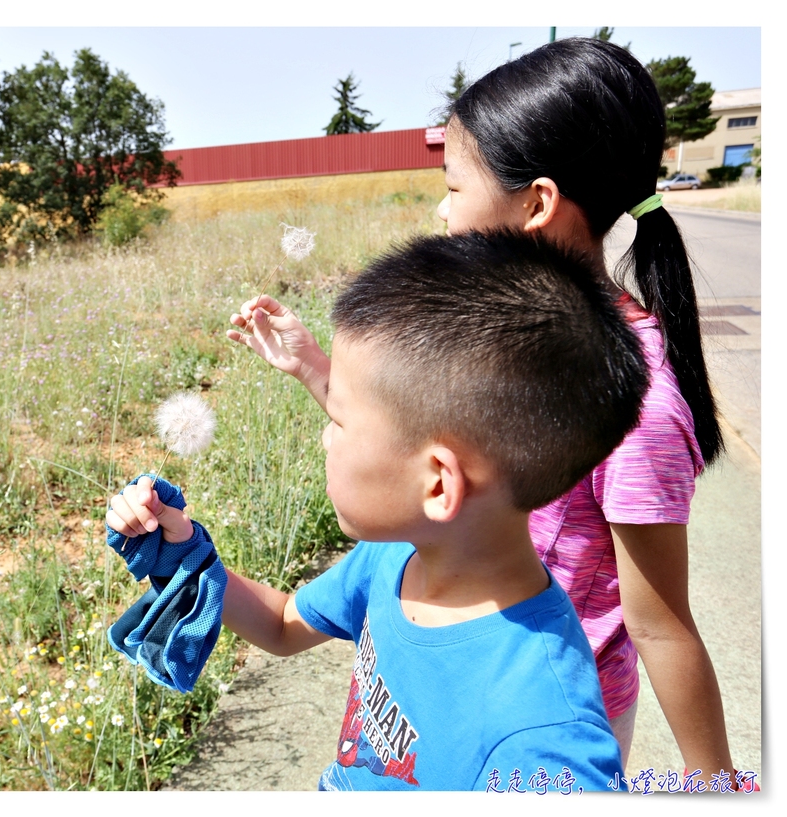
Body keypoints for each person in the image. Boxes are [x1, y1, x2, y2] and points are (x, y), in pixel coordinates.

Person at [225, 37, 737, 782]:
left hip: (528, 712)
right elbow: (429, 435)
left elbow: (660, 625)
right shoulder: (501, 328)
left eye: (454, 185)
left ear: (536, 204)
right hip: (445, 647)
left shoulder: (641, 406)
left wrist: (713, 782)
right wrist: (316, 369)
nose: (440, 208)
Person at [109, 230, 648, 790]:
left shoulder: (544, 744)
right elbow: (282, 623)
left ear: (439, 485)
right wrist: (184, 551)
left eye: (338, 422)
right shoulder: (396, 558)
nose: (324, 438)